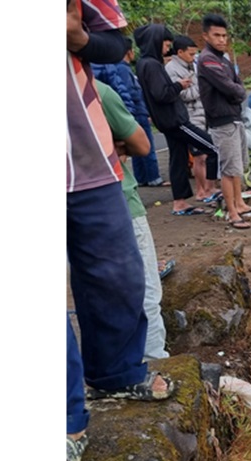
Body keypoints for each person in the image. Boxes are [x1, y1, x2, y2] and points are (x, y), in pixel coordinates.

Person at [67, 0, 174, 461]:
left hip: (88, 156)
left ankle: (115, 372)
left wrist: (80, 40)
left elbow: (116, 42)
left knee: (118, 275)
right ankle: (65, 422)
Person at [96, 80, 169, 361]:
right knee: (144, 289)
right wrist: (115, 146)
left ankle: (115, 366)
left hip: (75, 211)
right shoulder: (96, 91)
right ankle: (152, 361)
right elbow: (141, 143)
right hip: (120, 201)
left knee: (99, 294)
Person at [135, 24, 220, 217]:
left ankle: (179, 203)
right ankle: (209, 191)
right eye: (165, 45)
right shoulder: (152, 65)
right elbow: (161, 94)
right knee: (212, 147)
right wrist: (179, 85)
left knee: (178, 160)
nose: (167, 49)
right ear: (156, 42)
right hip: (176, 120)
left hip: (166, 121)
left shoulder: (144, 64)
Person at [198, 13, 251, 229]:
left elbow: (238, 85)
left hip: (233, 118)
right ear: (206, 36)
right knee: (229, 169)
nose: (222, 40)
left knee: (238, 165)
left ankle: (239, 203)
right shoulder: (207, 59)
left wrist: (237, 91)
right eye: (217, 35)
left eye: (224, 36)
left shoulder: (223, 59)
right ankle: (232, 212)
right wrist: (237, 92)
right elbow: (231, 88)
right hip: (221, 120)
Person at [93, 48, 164, 187]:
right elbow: (128, 93)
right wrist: (132, 113)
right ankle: (153, 177)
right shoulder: (120, 69)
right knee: (144, 146)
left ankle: (142, 178)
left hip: (128, 113)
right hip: (135, 113)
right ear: (129, 52)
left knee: (133, 151)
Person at [166, 35, 219, 203]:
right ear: (180, 52)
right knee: (200, 156)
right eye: (190, 54)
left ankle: (208, 188)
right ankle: (202, 190)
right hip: (189, 116)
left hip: (202, 114)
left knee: (204, 154)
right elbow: (184, 94)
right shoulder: (172, 69)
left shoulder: (191, 66)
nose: (194, 57)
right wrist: (201, 87)